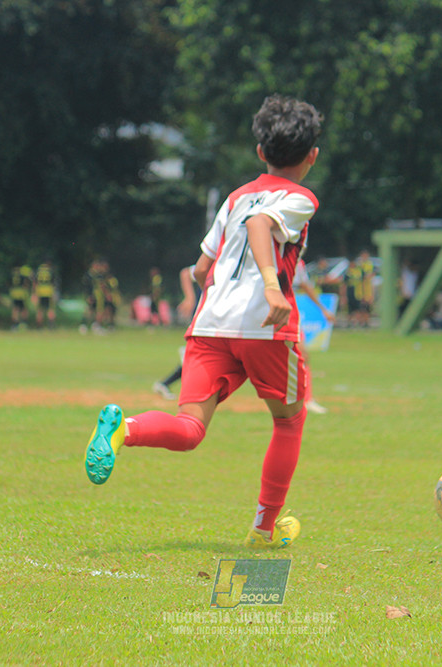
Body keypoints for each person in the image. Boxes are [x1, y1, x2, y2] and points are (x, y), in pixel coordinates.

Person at [86, 94, 323, 549]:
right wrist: (272, 286)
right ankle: (262, 529)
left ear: (260, 153)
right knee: (289, 422)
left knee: (190, 428)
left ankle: (124, 430)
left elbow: (200, 269)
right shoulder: (300, 197)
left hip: (210, 324)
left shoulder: (235, 197)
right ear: (312, 155)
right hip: (263, 326)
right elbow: (260, 227)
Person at [293, 258, 335, 415]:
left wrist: (323, 309)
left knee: (303, 354)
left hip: (289, 313)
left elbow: (305, 286)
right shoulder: (267, 253)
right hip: (264, 311)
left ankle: (307, 400)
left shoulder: (298, 262)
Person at [152, 264, 200, 401]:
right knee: (197, 358)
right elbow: (186, 273)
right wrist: (190, 298)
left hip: (216, 319)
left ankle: (164, 384)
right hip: (204, 317)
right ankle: (165, 384)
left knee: (196, 359)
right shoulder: (219, 259)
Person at [9, 264, 33, 330]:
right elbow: (26, 284)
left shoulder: (13, 276)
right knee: (23, 309)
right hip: (22, 294)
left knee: (15, 309)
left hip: (14, 294)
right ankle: (24, 324)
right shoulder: (22, 276)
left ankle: (14, 325)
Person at [34, 260, 57, 328]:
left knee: (40, 310)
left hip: (40, 292)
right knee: (50, 309)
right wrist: (54, 293)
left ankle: (39, 326)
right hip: (48, 292)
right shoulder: (50, 271)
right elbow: (53, 283)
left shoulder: (38, 271)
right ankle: (51, 325)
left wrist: (34, 293)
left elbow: (35, 283)